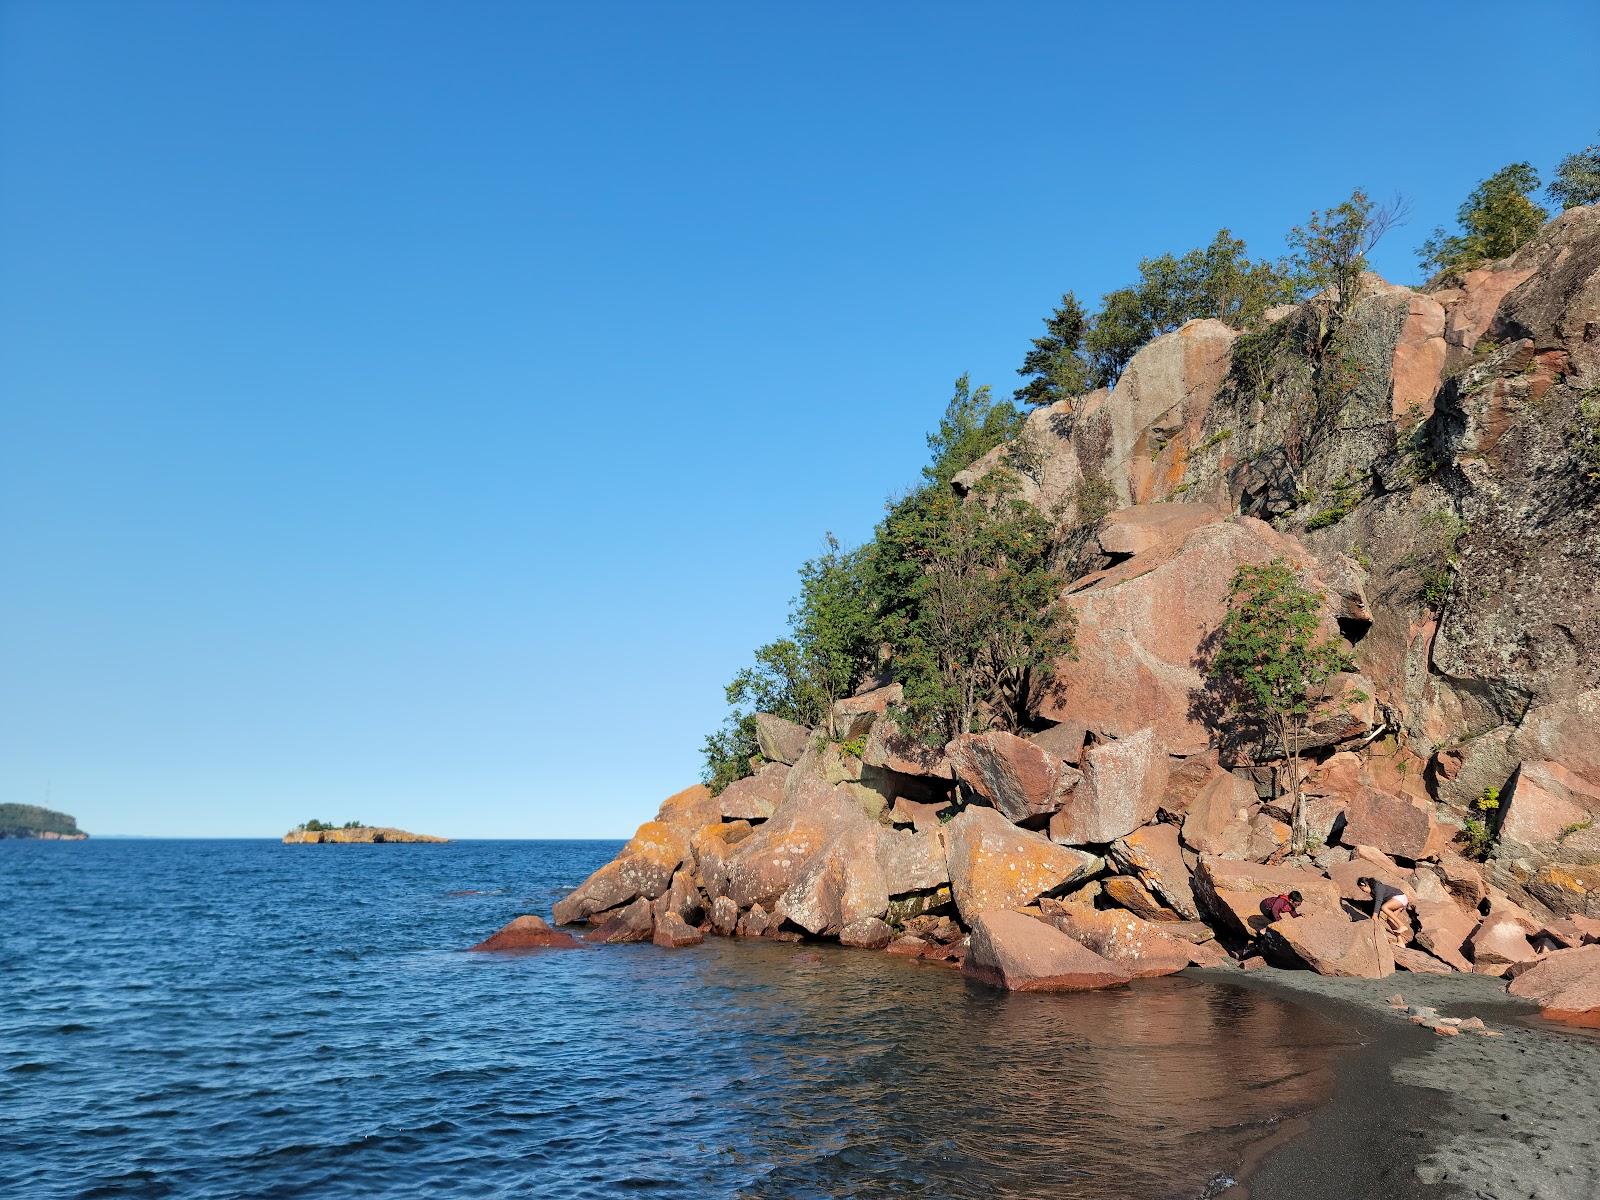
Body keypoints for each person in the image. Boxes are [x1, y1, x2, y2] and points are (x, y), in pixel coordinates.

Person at [1356, 876, 1412, 945]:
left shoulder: (1377, 887)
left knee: (1384, 907)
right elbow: (1377, 904)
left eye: (1362, 889)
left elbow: (1379, 901)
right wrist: (1376, 917)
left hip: (1400, 898)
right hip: (1397, 901)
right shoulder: (1373, 892)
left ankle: (1401, 925)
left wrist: (1375, 915)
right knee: (1389, 921)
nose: (1363, 891)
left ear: (1365, 885)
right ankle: (1400, 942)